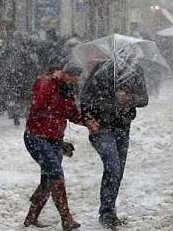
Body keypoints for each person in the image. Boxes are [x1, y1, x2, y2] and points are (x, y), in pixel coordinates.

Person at [80, 47, 148, 227]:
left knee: (118, 172)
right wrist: (89, 117)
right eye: (126, 53)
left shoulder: (135, 72)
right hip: (103, 127)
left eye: (132, 54)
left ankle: (109, 210)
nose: (130, 57)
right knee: (113, 167)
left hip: (123, 128)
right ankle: (106, 212)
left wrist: (128, 98)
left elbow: (144, 99)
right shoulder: (101, 71)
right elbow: (85, 98)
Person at [23, 64, 96, 230]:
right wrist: (54, 86)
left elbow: (71, 114)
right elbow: (38, 104)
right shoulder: (45, 83)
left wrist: (86, 122)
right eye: (71, 76)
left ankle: (31, 218)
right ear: (62, 73)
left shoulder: (67, 91)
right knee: (55, 174)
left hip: (55, 140)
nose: (74, 80)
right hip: (37, 137)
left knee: (48, 179)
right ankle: (66, 218)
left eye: (76, 78)